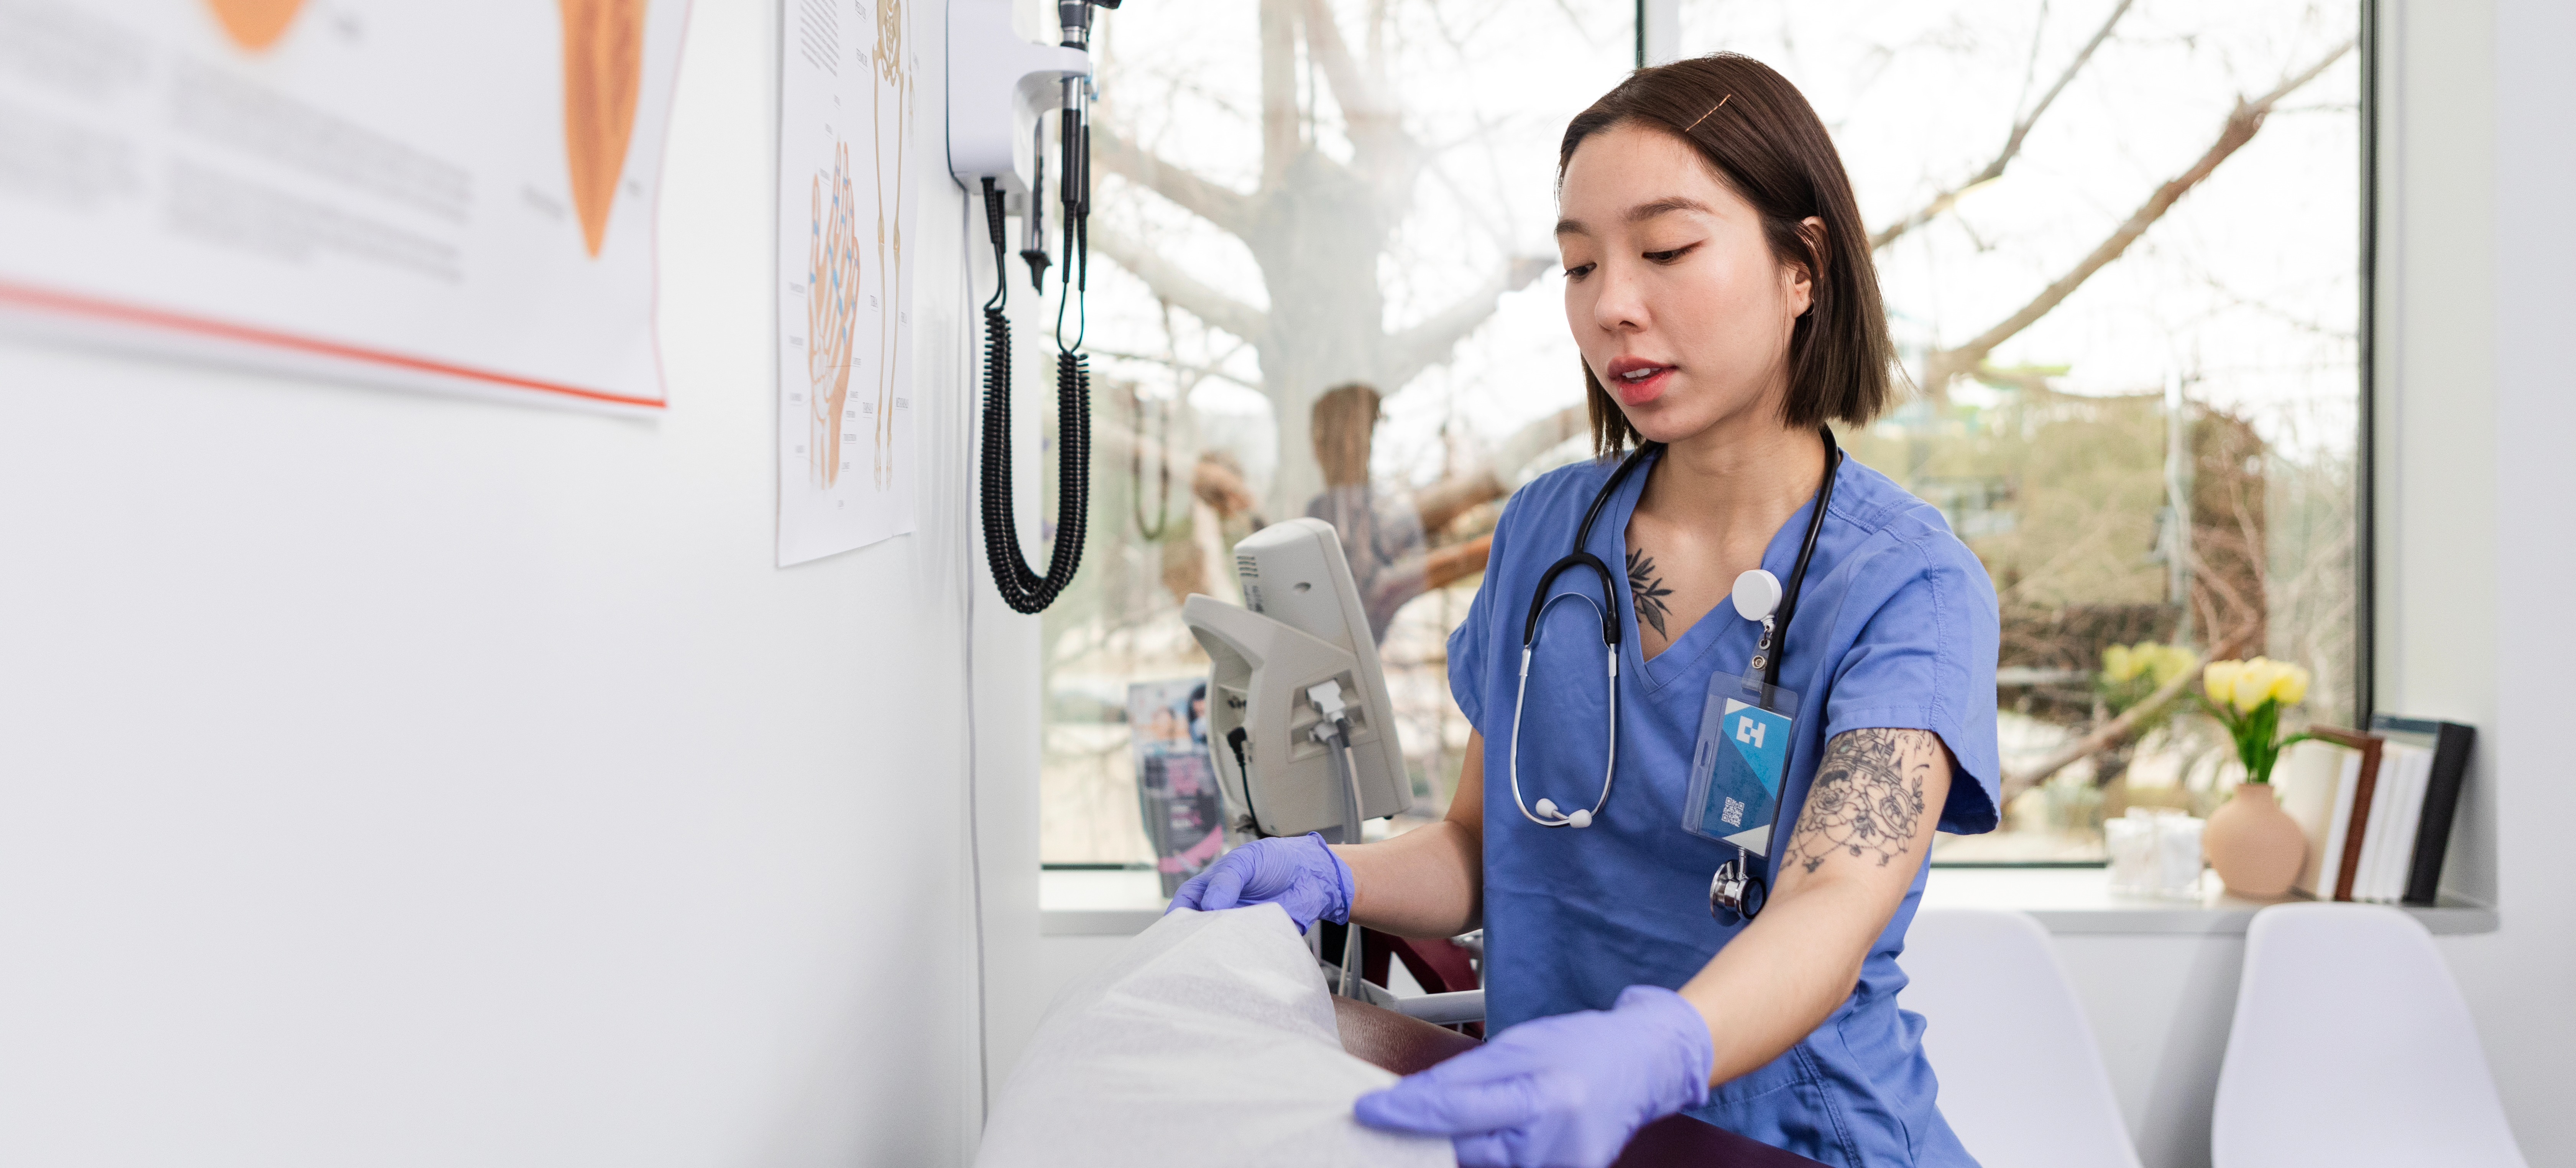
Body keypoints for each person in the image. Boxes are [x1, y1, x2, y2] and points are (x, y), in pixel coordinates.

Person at [1171, 53, 2001, 1168]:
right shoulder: (1547, 535)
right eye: (1578, 264)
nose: (1612, 304)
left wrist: (1660, 1049)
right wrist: (1331, 878)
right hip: (1560, 1133)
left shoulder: (1908, 586)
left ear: (1804, 266)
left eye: (1666, 251)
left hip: (1801, 1139)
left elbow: (1833, 902)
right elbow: (1478, 847)